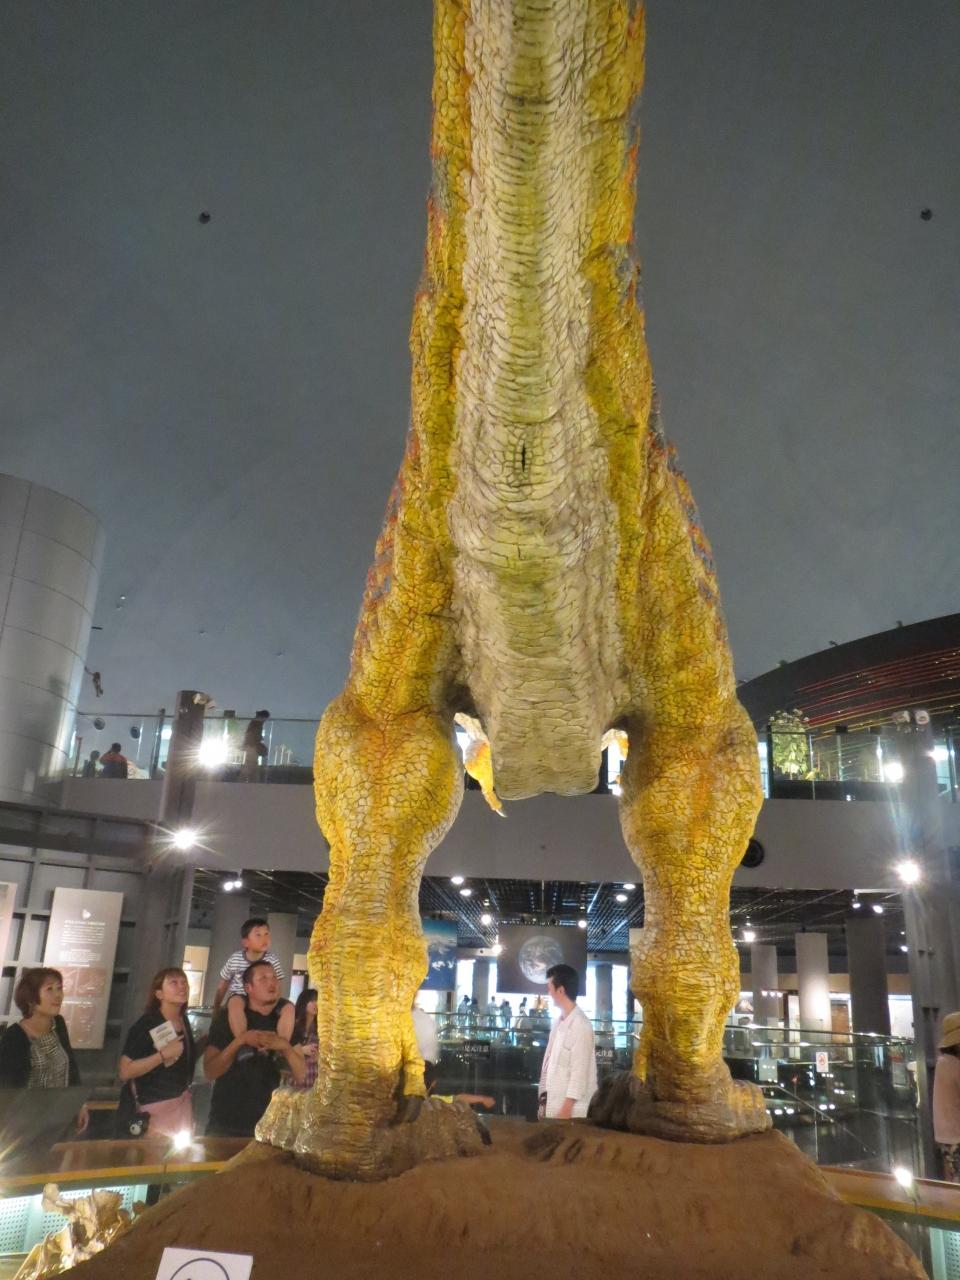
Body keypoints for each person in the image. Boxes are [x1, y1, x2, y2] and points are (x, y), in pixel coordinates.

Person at [203, 960, 305, 1136]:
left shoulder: (285, 1020)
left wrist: (285, 1047)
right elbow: (210, 1071)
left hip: (270, 1124)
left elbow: (301, 1074)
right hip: (225, 1121)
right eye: (263, 978)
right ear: (248, 988)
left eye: (274, 977)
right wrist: (240, 1041)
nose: (272, 982)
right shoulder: (229, 1017)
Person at [117, 968, 195, 1137]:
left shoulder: (183, 1020)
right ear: (159, 994)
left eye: (184, 982)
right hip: (153, 1110)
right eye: (173, 982)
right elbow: (125, 1071)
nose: (182, 986)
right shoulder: (147, 1024)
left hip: (180, 1106)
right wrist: (162, 1055)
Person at [212, 918, 292, 1043]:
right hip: (241, 996)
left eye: (267, 934)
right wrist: (216, 1007)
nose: (264, 938)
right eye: (258, 935)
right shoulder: (235, 959)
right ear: (245, 942)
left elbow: (278, 984)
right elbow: (223, 984)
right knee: (235, 1003)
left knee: (289, 1007)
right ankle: (243, 1040)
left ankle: (282, 1044)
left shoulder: (272, 960)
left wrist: (273, 1003)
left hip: (264, 998)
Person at [538, 964, 598, 1120]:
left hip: (571, 1113)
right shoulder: (558, 1022)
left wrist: (566, 1110)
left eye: (550, 988)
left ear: (561, 990)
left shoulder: (581, 1025)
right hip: (552, 1105)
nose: (548, 993)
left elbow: (580, 1071)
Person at [933, 1012, 960, 1180]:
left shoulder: (942, 1062)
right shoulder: (954, 1065)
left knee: (952, 1179)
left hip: (945, 1135)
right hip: (956, 1135)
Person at [290, 987, 319, 1091]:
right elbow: (280, 1051)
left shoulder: (321, 1029)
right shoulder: (293, 1025)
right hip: (295, 1081)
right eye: (312, 1000)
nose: (316, 1004)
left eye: (318, 1000)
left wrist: (319, 1057)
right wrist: (301, 1050)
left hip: (314, 1079)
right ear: (304, 1002)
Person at [240, 710, 270, 779]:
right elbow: (252, 735)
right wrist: (257, 742)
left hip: (251, 746)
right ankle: (248, 779)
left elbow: (251, 735)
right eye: (265, 718)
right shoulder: (257, 723)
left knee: (251, 764)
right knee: (251, 765)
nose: (265, 720)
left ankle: (249, 779)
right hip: (252, 747)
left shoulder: (255, 723)